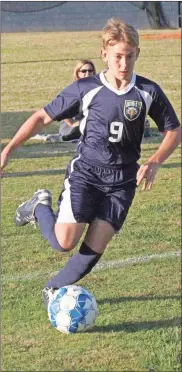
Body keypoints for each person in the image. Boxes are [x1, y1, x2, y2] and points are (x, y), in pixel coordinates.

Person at [1, 18, 181, 310]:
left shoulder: (148, 92)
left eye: (130, 55)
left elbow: (174, 130)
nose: (124, 63)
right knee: (63, 243)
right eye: (118, 56)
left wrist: (155, 161)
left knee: (96, 245)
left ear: (138, 54)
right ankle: (38, 206)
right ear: (104, 55)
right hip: (86, 175)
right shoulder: (86, 89)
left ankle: (55, 287)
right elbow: (41, 117)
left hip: (122, 182)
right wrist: (8, 149)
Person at [46, 59, 96, 143]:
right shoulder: (73, 90)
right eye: (84, 71)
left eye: (90, 70)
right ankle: (61, 138)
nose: (87, 74)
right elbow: (61, 109)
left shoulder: (97, 89)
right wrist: (72, 124)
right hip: (72, 126)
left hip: (89, 123)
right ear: (77, 73)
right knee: (81, 129)